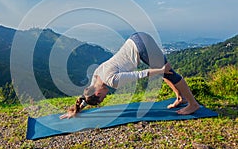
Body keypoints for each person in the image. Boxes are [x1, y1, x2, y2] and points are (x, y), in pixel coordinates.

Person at [60, 32, 200, 119]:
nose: (106, 96)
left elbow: (141, 74)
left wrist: (162, 69)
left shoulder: (111, 81)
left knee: (169, 74)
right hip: (136, 39)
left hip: (142, 47)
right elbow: (86, 97)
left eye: (102, 98)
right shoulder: (96, 77)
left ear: (97, 93)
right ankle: (180, 98)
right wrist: (76, 109)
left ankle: (193, 104)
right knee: (164, 73)